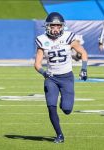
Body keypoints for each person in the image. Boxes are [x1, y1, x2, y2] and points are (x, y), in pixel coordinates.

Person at [34, 12, 88, 143]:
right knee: (51, 106)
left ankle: (63, 102)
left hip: (66, 77)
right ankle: (59, 135)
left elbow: (83, 53)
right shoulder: (42, 40)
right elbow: (37, 64)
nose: (55, 28)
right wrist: (43, 72)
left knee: (67, 109)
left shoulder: (69, 37)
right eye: (53, 26)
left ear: (62, 27)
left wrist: (84, 69)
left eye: (58, 26)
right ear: (47, 27)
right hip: (51, 78)